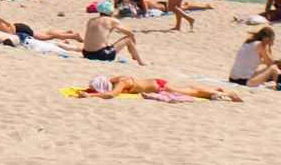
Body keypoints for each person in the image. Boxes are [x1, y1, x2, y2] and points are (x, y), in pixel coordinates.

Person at [0, 6, 84, 44]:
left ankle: (73, 36)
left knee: (47, 37)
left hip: (20, 29)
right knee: (46, 34)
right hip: (17, 27)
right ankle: (67, 32)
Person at [77, 75, 240, 102]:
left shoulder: (120, 83)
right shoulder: (114, 79)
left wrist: (91, 97)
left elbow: (111, 95)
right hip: (156, 84)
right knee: (189, 88)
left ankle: (228, 94)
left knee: (193, 92)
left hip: (158, 87)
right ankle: (215, 90)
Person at [82, 1, 147, 65]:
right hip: (100, 55)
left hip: (86, 54)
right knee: (129, 39)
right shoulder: (111, 20)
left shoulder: (91, 20)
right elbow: (130, 33)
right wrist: (133, 45)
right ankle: (140, 61)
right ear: (111, 12)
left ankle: (134, 56)